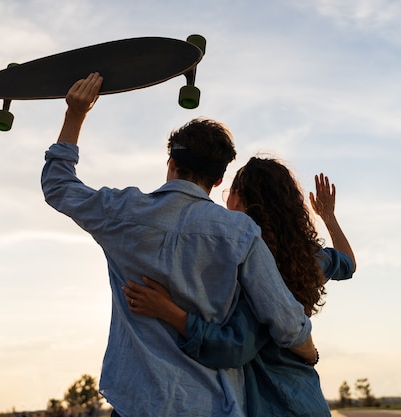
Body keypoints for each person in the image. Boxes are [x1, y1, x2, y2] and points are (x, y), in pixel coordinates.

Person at [41, 73, 318, 417]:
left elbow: (58, 186)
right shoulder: (239, 232)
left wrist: (76, 115)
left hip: (135, 404)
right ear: (218, 180)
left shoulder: (122, 212)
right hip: (212, 404)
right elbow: (285, 320)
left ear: (171, 163)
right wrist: (310, 352)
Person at [122, 157, 356, 416]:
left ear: (244, 202)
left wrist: (168, 312)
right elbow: (348, 263)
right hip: (309, 400)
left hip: (274, 405)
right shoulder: (308, 259)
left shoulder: (252, 270)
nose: (225, 203)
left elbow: (234, 347)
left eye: (229, 193)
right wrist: (328, 216)